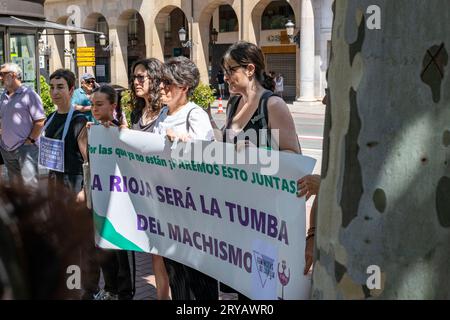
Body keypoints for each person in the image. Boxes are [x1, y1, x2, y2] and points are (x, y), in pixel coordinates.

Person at [220, 41, 301, 299]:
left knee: (261, 286)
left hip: (265, 214)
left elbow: (294, 157)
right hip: (236, 209)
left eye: (230, 70)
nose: (225, 77)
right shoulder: (233, 104)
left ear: (250, 69)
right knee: (243, 284)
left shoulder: (272, 105)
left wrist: (257, 155)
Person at [155, 56, 216, 300]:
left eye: (168, 83)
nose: (162, 87)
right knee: (176, 271)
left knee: (197, 276)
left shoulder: (195, 114)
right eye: (161, 82)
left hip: (193, 210)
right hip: (168, 205)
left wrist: (183, 140)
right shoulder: (161, 113)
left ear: (184, 87)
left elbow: (207, 157)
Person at [41, 69, 98, 300]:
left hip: (75, 190)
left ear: (71, 89)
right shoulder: (50, 119)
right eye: (52, 87)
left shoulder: (78, 121)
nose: (55, 92)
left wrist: (85, 192)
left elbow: (89, 161)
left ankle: (90, 289)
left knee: (83, 244)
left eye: (60, 87)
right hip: (56, 191)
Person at [129, 58, 171, 300]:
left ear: (155, 80)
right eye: (134, 77)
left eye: (141, 77)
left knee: (167, 255)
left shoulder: (167, 113)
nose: (136, 82)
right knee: (155, 252)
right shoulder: (137, 113)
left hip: (167, 193)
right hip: (145, 193)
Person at [88, 85, 134, 300]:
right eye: (92, 105)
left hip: (120, 199)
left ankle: (125, 290)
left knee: (121, 248)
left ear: (112, 106)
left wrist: (115, 129)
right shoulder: (92, 129)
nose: (94, 109)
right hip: (100, 198)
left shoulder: (120, 130)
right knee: (104, 246)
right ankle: (110, 288)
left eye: (99, 104)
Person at [0, 63, 45, 188]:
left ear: (12, 75)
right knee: (15, 188)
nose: (0, 78)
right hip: (6, 149)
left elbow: (40, 120)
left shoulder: (29, 94)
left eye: (2, 74)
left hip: (25, 149)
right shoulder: (3, 96)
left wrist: (30, 140)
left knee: (30, 187)